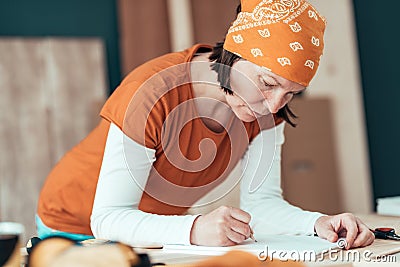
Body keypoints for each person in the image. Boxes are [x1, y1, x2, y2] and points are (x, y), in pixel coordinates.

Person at [37, 0, 375, 249]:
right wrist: (195, 229)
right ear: (233, 56)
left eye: (292, 93)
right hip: (73, 226)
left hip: (148, 234)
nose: (273, 105)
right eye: (267, 82)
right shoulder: (151, 94)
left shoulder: (268, 109)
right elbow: (108, 220)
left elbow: (263, 206)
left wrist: (318, 224)